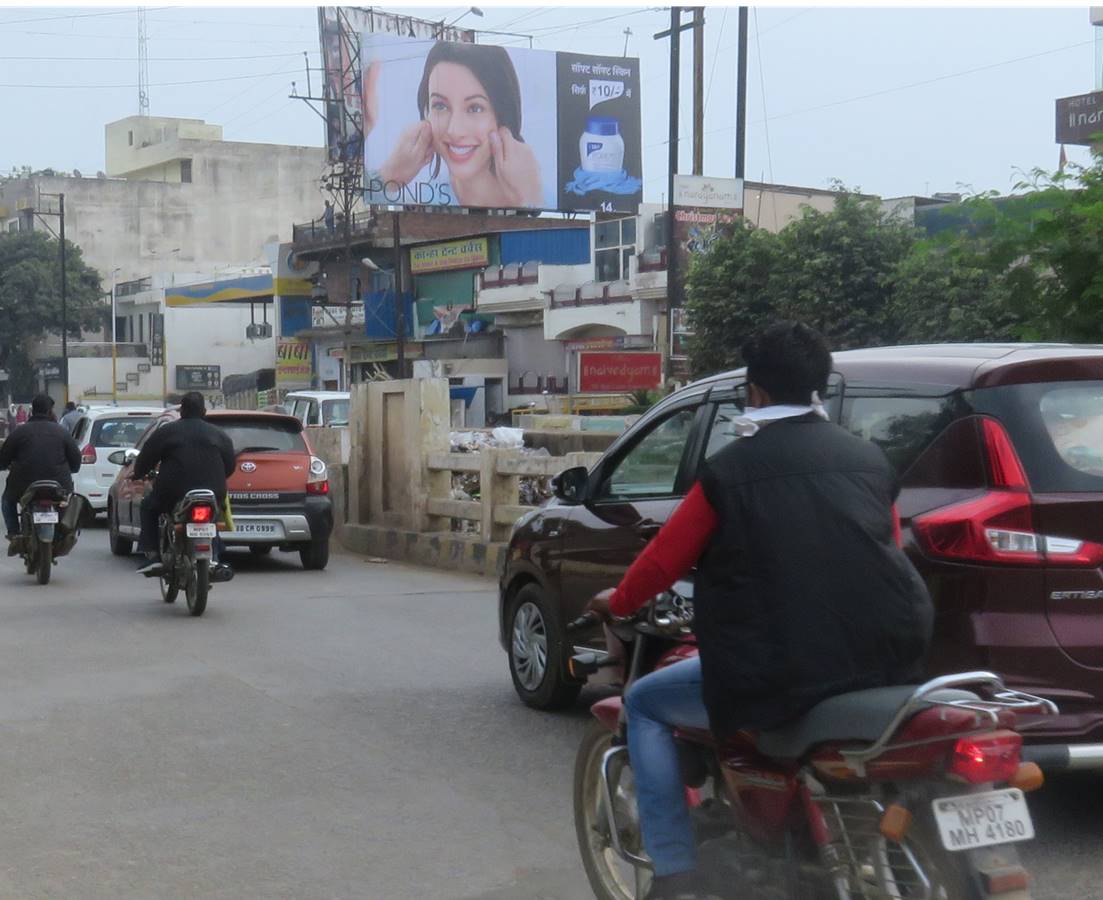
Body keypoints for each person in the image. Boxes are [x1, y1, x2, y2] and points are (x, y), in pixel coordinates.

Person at [580, 322, 934, 900]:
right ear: (818, 386)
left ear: (756, 393)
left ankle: (674, 874)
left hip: (785, 670)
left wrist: (616, 602)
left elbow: (662, 563)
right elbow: (885, 550)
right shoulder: (868, 459)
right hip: (888, 658)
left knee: (644, 703)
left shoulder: (730, 472)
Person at [375, 42, 542, 208]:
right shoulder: (421, 199)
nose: (455, 130)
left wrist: (530, 200)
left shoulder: (542, 196)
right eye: (440, 106)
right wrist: (388, 176)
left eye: (475, 108)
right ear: (426, 113)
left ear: (503, 116)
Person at [133, 391, 236, 577]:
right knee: (212, 516)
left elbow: (145, 458)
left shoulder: (166, 432)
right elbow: (230, 466)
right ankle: (216, 555)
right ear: (204, 411)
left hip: (172, 493)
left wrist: (138, 474)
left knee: (148, 506)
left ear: (181, 411)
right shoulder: (220, 435)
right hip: (213, 491)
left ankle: (154, 555)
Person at [0, 394, 82, 554]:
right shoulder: (62, 432)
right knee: (68, 502)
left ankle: (14, 533)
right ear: (50, 411)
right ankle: (65, 531)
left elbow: (3, 458)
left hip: (23, 485)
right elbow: (76, 461)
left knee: (7, 501)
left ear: (33, 410)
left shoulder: (19, 432)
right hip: (59, 484)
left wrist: (6, 465)